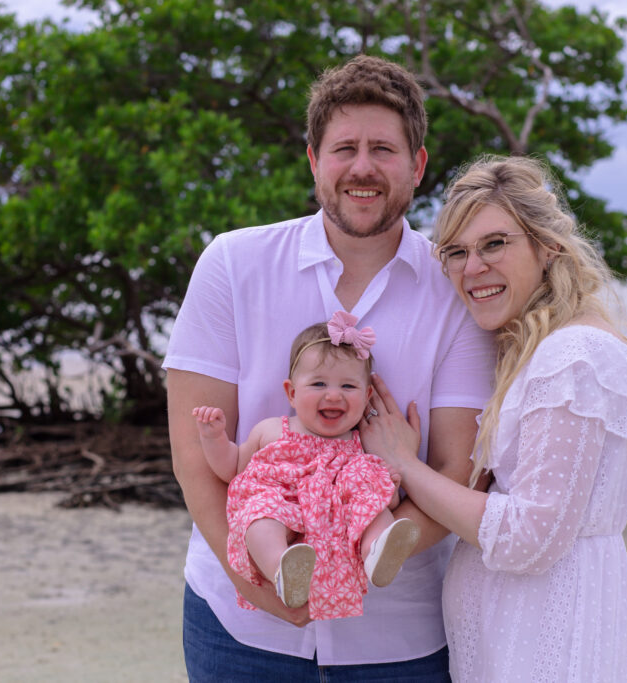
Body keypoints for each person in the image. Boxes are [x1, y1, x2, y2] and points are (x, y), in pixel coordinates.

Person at [162, 54, 494, 680]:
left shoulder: (456, 290)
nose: (362, 168)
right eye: (344, 148)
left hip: (398, 637)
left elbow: (461, 469)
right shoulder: (232, 264)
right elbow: (192, 455)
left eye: (383, 149)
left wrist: (355, 561)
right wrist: (257, 582)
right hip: (238, 627)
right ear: (314, 160)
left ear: (417, 166)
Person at [361, 155, 627, 681]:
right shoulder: (544, 352)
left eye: (495, 244)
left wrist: (403, 463)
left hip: (540, 648)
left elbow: (530, 537)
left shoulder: (569, 359)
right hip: (519, 642)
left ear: (547, 246)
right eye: (456, 253)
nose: (472, 268)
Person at [191, 312, 420, 620]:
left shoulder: (362, 444)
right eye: (319, 383)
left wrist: (388, 487)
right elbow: (232, 467)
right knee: (260, 515)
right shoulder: (272, 430)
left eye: (349, 386)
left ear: (367, 397)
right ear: (292, 393)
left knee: (371, 497)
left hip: (334, 515)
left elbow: (382, 500)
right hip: (283, 506)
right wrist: (213, 437)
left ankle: (377, 552)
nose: (334, 394)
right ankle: (281, 569)